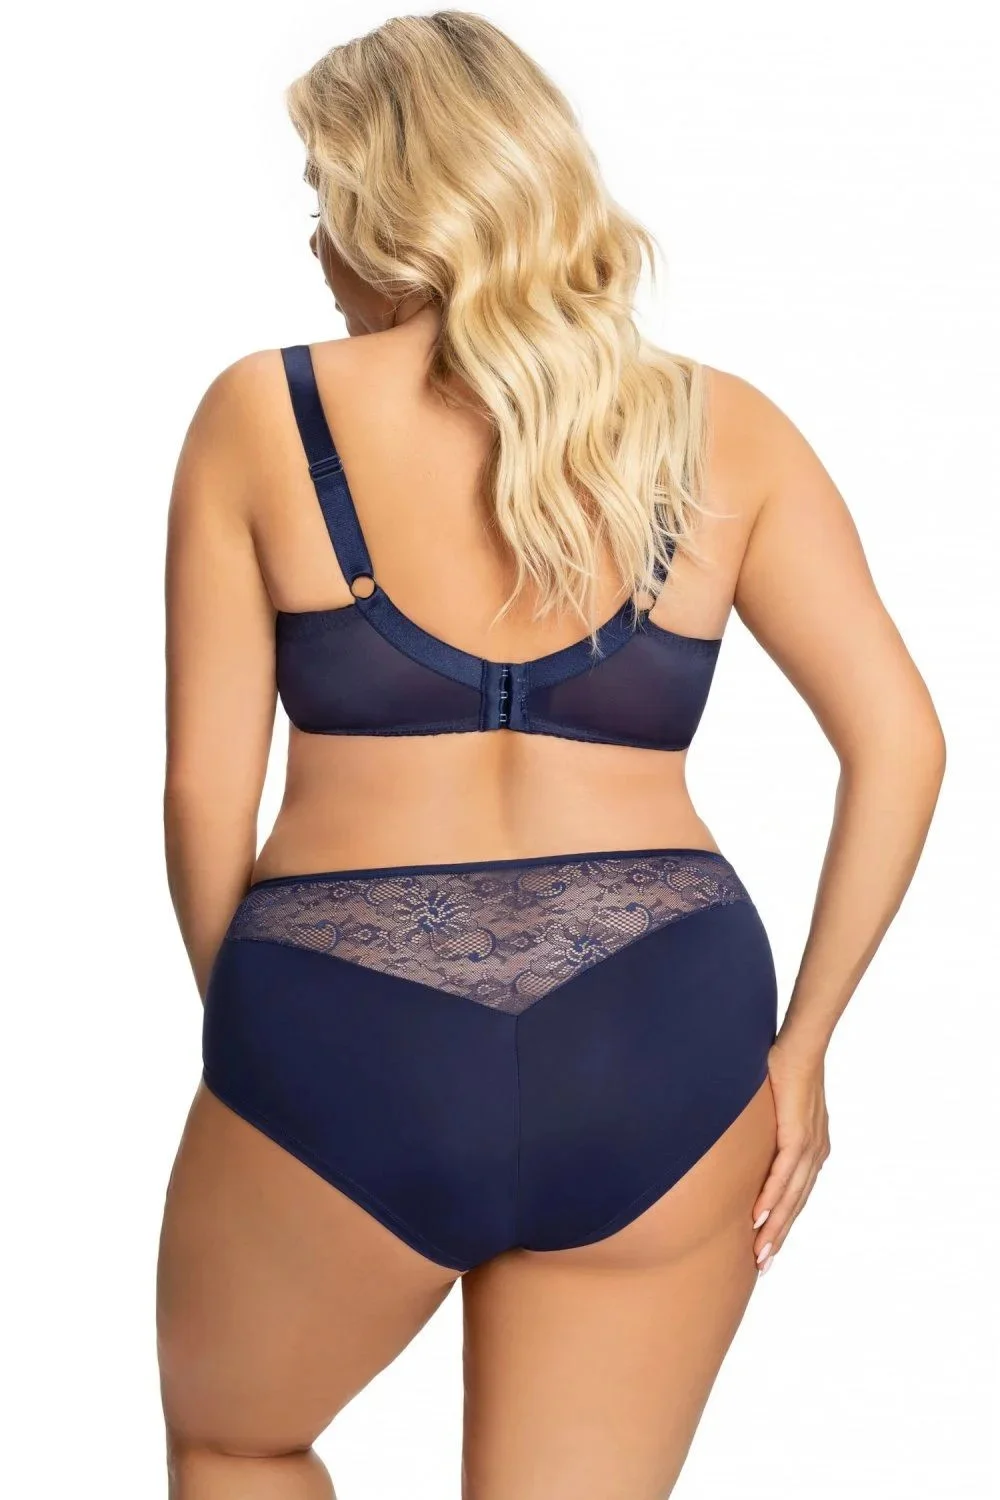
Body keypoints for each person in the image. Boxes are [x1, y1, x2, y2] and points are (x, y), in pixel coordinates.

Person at [156, 12, 945, 1499]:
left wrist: (263, 1043)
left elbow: (206, 789)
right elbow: (902, 739)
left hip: (345, 1008)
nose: (315, 243)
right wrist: (805, 1047)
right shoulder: (725, 428)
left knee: (238, 1440)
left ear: (391, 204)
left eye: (324, 197)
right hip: (666, 1028)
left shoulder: (265, 410)